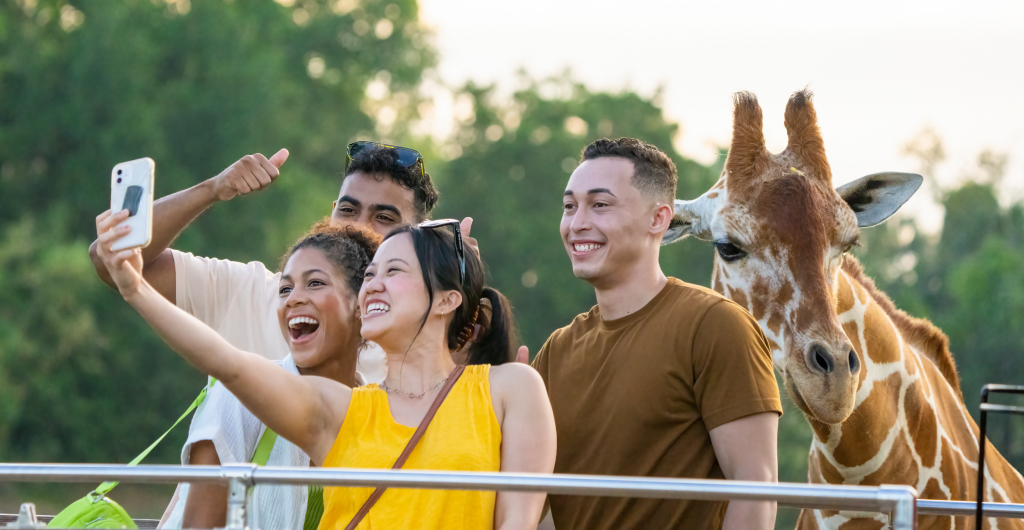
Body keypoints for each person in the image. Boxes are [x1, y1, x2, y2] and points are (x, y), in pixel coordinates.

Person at [94, 209, 557, 529]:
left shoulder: (510, 387)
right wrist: (135, 288)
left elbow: (516, 521)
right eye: (370, 274)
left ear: (448, 300)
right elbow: (228, 365)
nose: (373, 284)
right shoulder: (342, 410)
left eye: (392, 271)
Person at [530, 138, 782, 530]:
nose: (577, 222)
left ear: (659, 219)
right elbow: (540, 509)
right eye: (569, 206)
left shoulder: (715, 325)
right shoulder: (557, 350)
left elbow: (756, 489)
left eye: (600, 205)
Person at [152, 219, 379, 530]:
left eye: (315, 283)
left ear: (360, 304)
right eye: (285, 289)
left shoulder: (377, 414)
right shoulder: (236, 396)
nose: (293, 299)